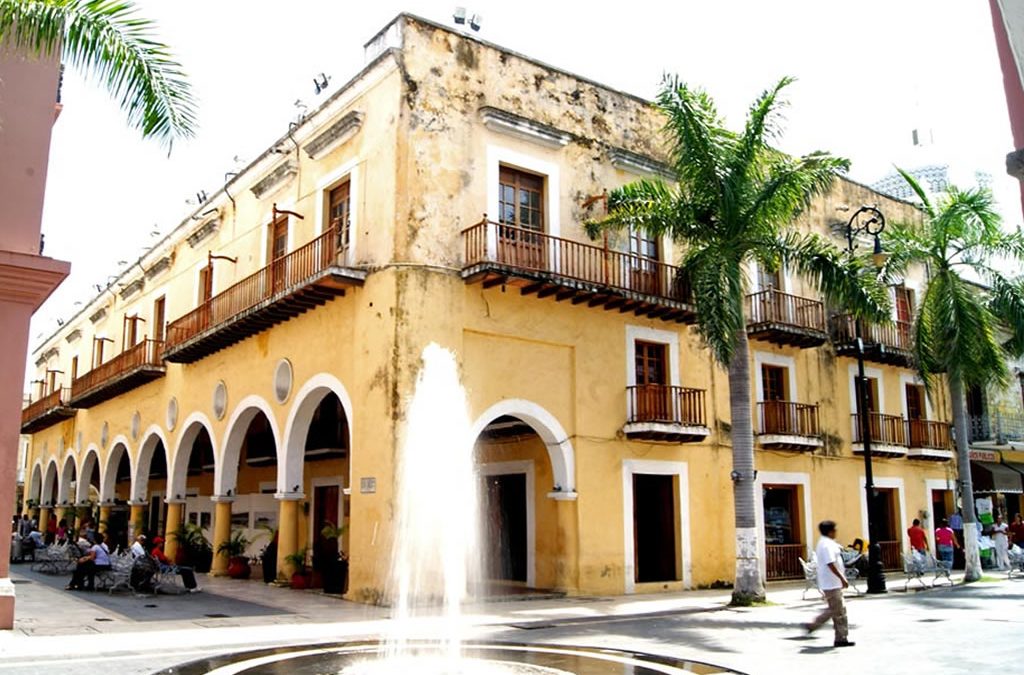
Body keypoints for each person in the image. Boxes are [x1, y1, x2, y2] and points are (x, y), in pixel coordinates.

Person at [806, 520, 854, 647]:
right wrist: (842, 578)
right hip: (831, 583)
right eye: (835, 530)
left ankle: (817, 626)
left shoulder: (827, 543)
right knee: (838, 611)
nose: (836, 532)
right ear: (830, 531)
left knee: (836, 609)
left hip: (832, 583)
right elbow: (830, 563)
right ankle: (840, 638)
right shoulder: (826, 544)